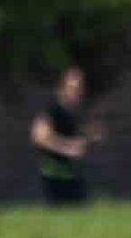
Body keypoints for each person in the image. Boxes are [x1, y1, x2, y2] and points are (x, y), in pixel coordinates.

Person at [31, 67, 94, 205]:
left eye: (80, 88)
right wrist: (67, 147)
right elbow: (39, 137)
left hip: (72, 175)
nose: (77, 92)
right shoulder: (52, 107)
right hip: (53, 177)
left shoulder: (76, 110)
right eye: (73, 88)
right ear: (63, 86)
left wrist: (89, 137)